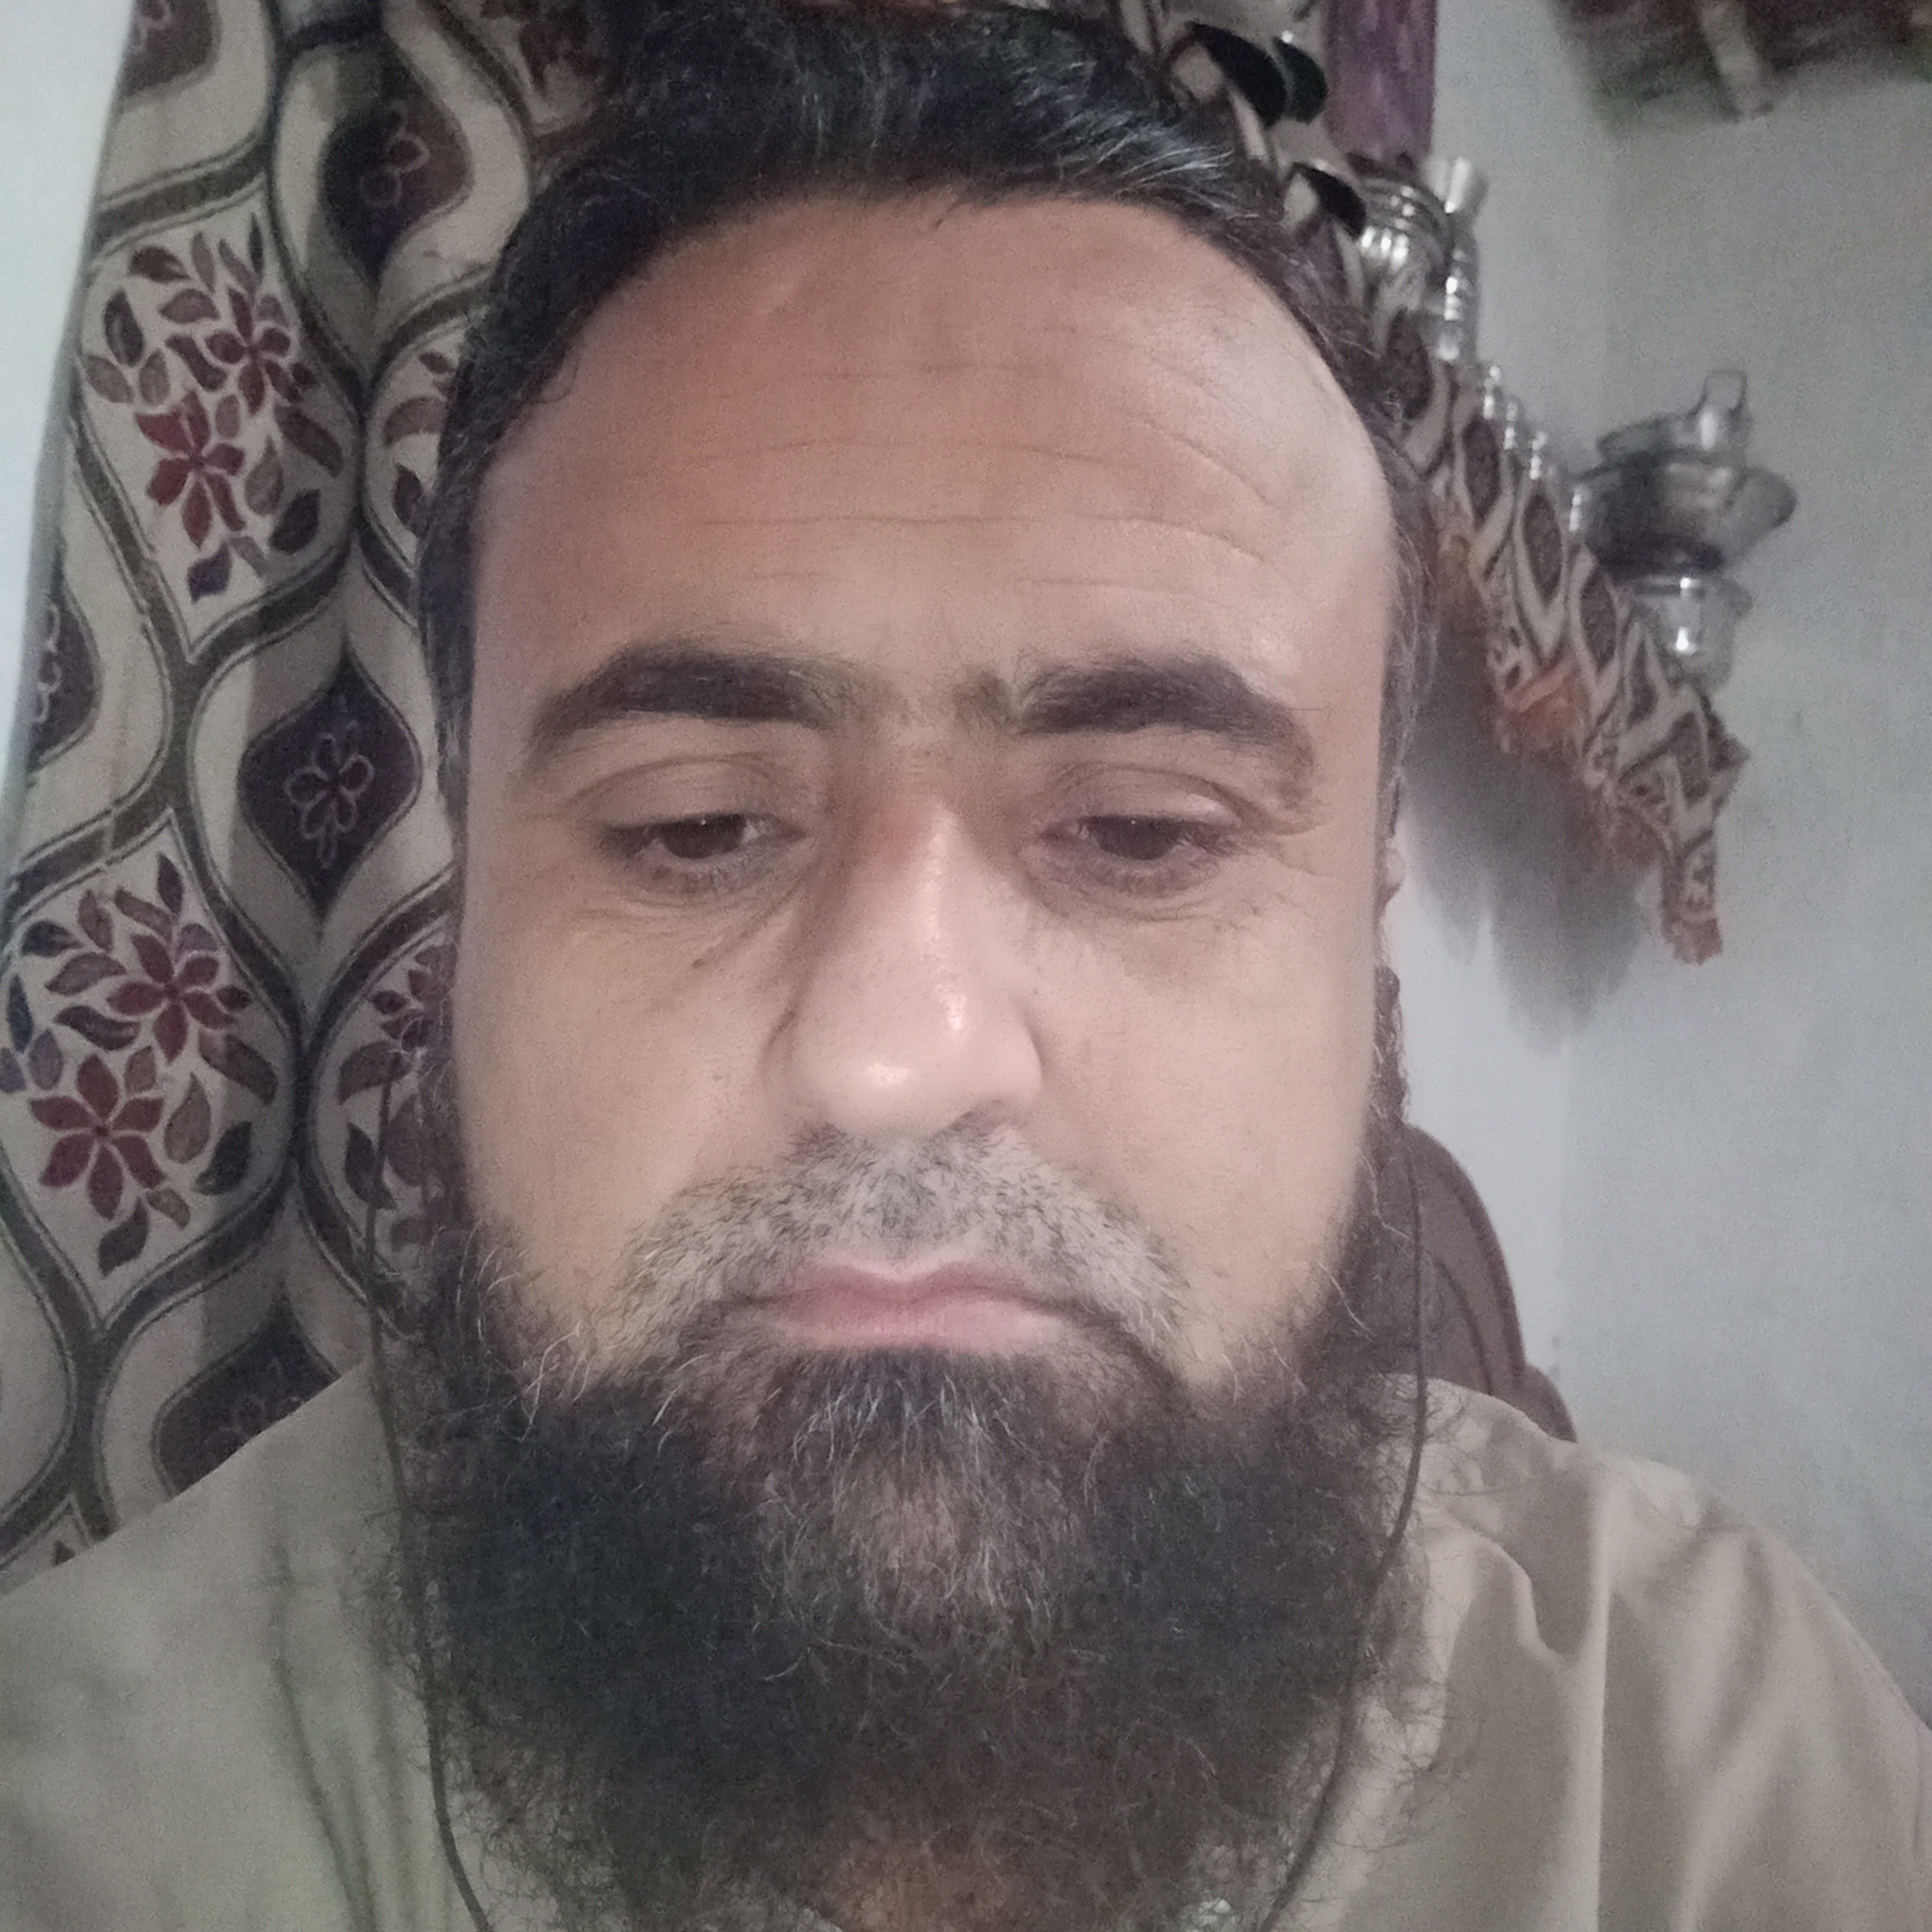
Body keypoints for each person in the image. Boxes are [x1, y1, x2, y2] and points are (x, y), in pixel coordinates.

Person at [0, 5, 1924, 1929]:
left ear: (1371, 935)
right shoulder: (98, 1814)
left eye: (1145, 832)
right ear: (466, 901)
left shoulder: (1708, 1765)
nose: (896, 1051)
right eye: (693, 828)